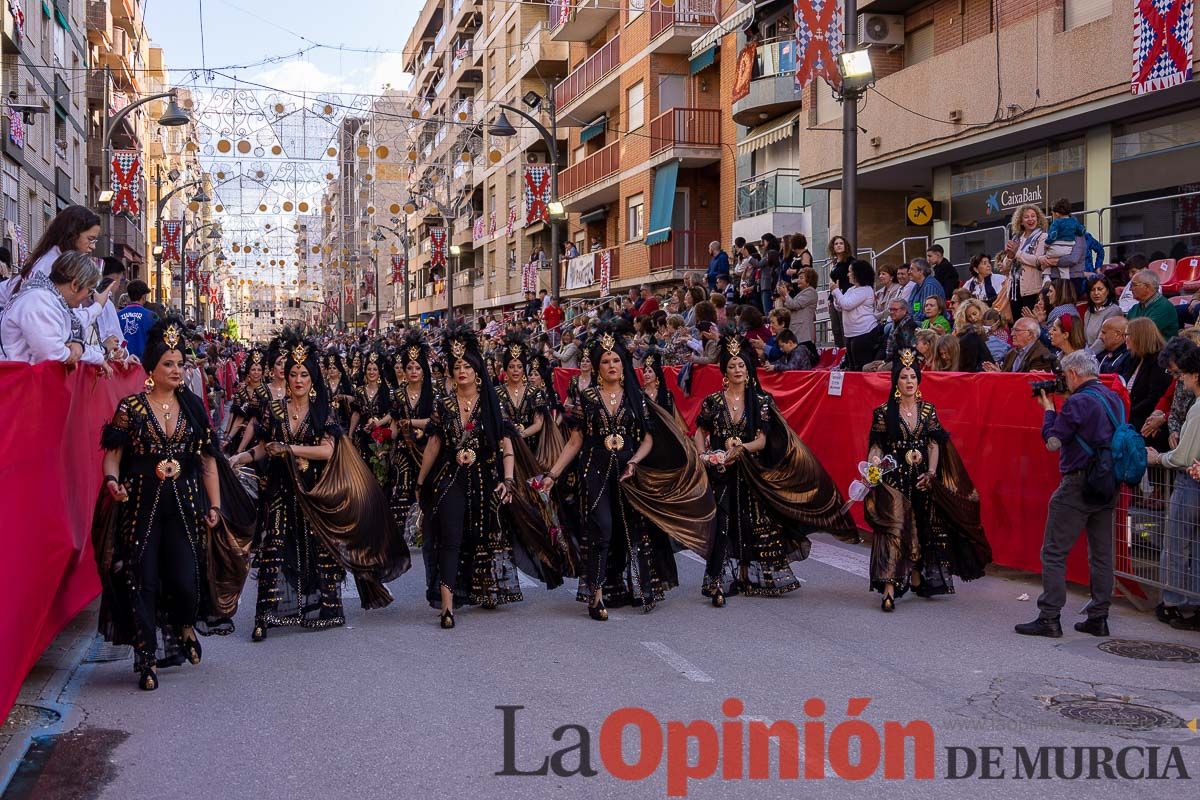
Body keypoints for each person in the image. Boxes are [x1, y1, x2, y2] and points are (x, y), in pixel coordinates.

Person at [93, 318, 252, 691]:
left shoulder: (195, 408)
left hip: (185, 505)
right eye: (169, 364)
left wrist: (214, 506)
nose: (177, 370)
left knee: (184, 579)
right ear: (151, 369)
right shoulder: (130, 408)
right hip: (141, 506)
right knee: (141, 582)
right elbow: (113, 455)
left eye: (181, 363)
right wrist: (113, 481)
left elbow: (208, 461)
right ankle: (145, 659)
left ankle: (184, 625)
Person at [231, 338, 410, 641]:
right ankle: (265, 616)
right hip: (279, 489)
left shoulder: (321, 411)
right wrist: (241, 457)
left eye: (304, 375)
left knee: (320, 546)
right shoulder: (273, 409)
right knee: (274, 545)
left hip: (316, 490)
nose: (298, 380)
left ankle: (327, 608)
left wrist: (290, 448)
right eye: (293, 374)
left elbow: (328, 450)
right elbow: (264, 447)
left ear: (312, 379)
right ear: (285, 378)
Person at [541, 325, 715, 619]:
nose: (611, 365)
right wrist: (552, 475)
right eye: (606, 361)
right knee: (602, 529)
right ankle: (595, 596)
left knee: (630, 533)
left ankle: (630, 588)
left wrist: (634, 461)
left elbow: (648, 437)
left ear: (623, 365)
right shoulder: (589, 398)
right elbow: (576, 440)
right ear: (597, 367)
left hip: (628, 474)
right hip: (594, 470)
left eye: (616, 360)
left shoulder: (635, 397)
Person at [416, 327, 560, 627]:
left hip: (483, 479)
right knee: (450, 538)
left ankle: (485, 589)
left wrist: (508, 480)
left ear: (477, 370)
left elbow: (505, 442)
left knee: (484, 537)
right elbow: (433, 444)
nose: (462, 371)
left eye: (467, 366)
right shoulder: (444, 403)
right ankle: (447, 607)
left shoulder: (491, 402)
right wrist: (421, 482)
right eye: (457, 367)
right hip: (450, 477)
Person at [694, 334, 852, 605]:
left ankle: (749, 574)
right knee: (722, 523)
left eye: (741, 365)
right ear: (725, 370)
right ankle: (718, 579)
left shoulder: (761, 401)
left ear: (748, 368)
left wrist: (742, 448)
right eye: (732, 366)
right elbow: (700, 430)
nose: (737, 370)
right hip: (721, 471)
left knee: (754, 523)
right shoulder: (713, 401)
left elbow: (762, 440)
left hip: (752, 471)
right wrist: (704, 454)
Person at [864, 350, 990, 611]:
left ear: (918, 381)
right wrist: (874, 464)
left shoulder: (928, 410)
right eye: (903, 377)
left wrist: (931, 474)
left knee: (920, 526)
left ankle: (917, 574)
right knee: (895, 527)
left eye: (913, 377)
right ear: (895, 382)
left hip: (921, 477)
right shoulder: (883, 412)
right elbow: (876, 446)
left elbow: (934, 443)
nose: (909, 381)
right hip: (894, 478)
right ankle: (889, 588)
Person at [1016, 350, 1121, 638]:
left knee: (1054, 551)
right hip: (1107, 482)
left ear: (1073, 373)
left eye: (1064, 375)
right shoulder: (1112, 397)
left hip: (1078, 484)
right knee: (1101, 554)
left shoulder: (1078, 402)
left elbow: (1053, 442)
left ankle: (1049, 617)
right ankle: (1099, 617)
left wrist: (1049, 410)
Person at [1146, 339, 1200, 631]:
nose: (1178, 380)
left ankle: (1174, 603)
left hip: (1189, 479)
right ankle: (1190, 602)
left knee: (1177, 544)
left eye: (1179, 374)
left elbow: (1183, 457)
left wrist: (1157, 458)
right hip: (1190, 473)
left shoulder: (1199, 406)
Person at [0, 250, 109, 370]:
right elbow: (52, 354)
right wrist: (78, 350)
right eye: (90, 291)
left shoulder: (49, 299)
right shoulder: (39, 301)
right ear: (75, 285)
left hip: (24, 381)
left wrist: (85, 351)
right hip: (18, 382)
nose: (88, 297)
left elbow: (75, 323)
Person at [0, 204, 102, 310]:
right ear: (72, 234)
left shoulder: (51, 259)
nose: (93, 247)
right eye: (90, 239)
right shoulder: (50, 265)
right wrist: (96, 308)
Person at [388, 331, 433, 537]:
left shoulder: (434, 393)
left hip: (428, 449)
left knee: (427, 488)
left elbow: (435, 422)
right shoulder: (397, 394)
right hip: (404, 450)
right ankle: (398, 534)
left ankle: (426, 529)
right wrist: (383, 438)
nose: (414, 371)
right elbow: (395, 426)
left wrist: (413, 423)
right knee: (402, 487)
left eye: (417, 367)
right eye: (409, 368)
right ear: (404, 371)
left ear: (424, 370)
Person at [1121, 317, 1171, 450]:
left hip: (1145, 420)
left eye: (1127, 335)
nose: (1125, 338)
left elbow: (1154, 398)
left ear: (1140, 336)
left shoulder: (1159, 361)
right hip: (1129, 416)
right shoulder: (1134, 358)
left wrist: (1127, 412)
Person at [495, 334, 548, 452]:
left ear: (524, 369)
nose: (515, 370)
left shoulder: (535, 392)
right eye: (511, 366)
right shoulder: (496, 393)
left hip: (531, 449)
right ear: (505, 369)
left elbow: (538, 423)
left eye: (519, 367)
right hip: (504, 449)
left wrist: (521, 434)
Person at [832, 260, 882, 371]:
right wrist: (836, 297)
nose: (848, 274)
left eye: (850, 272)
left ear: (858, 274)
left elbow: (847, 304)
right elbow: (840, 306)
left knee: (860, 366)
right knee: (851, 366)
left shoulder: (865, 290)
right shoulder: (851, 289)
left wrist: (836, 291)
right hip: (851, 334)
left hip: (864, 332)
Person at [1126, 269, 1179, 341]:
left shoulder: (1164, 307)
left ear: (1148, 287)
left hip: (1161, 350)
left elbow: (1144, 333)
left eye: (1134, 285)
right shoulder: (1135, 308)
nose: (1130, 289)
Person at [781, 268, 818, 365]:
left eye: (801, 278)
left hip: (804, 332)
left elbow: (795, 305)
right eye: (798, 278)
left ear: (809, 280)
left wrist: (786, 295)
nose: (798, 280)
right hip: (797, 330)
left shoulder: (811, 292)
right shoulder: (802, 293)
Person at [1083, 276, 1123, 353]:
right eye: (1092, 290)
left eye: (1100, 289)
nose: (1096, 293)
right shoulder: (1088, 312)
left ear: (1107, 291)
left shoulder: (1114, 311)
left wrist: (1087, 355)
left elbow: (1102, 342)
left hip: (1105, 354)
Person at [953, 299, 995, 372]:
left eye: (974, 314)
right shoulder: (968, 333)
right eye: (969, 317)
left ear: (981, 311)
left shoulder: (995, 326)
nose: (973, 318)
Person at [827, 236, 853, 346]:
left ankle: (847, 353)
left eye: (841, 243)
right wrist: (830, 298)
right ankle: (839, 352)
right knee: (835, 328)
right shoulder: (835, 262)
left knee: (844, 327)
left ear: (845, 245)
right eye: (836, 243)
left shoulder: (851, 261)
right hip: (835, 297)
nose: (838, 245)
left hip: (846, 295)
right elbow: (833, 281)